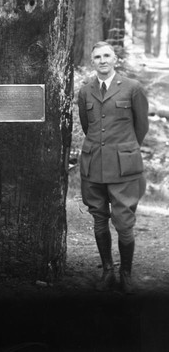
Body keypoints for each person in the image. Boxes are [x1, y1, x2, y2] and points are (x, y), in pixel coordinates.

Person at [77, 41, 149, 294]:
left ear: (115, 59)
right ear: (92, 61)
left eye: (107, 55)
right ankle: (107, 269)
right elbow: (88, 126)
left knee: (124, 223)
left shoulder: (133, 88)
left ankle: (125, 273)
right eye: (97, 56)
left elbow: (141, 127)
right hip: (93, 165)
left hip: (124, 168)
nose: (102, 60)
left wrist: (126, 150)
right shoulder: (85, 91)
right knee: (99, 218)